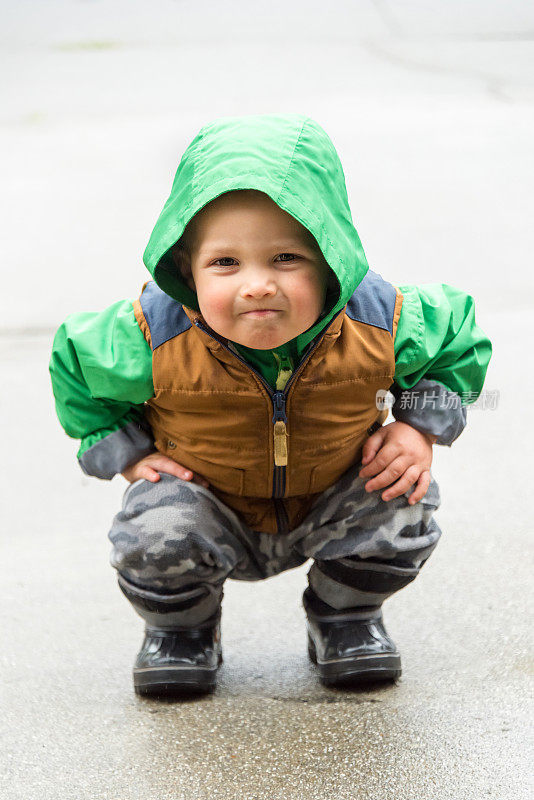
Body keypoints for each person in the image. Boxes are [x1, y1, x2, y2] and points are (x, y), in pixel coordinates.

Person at [49, 113, 492, 696]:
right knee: (154, 525)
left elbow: (456, 339)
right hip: (209, 506)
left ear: (330, 259)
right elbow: (76, 366)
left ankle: (345, 618)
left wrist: (417, 427)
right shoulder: (148, 335)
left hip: (334, 497)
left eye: (286, 259)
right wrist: (129, 456)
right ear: (186, 267)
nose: (256, 284)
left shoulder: (381, 321)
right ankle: (183, 632)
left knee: (404, 497)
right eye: (225, 262)